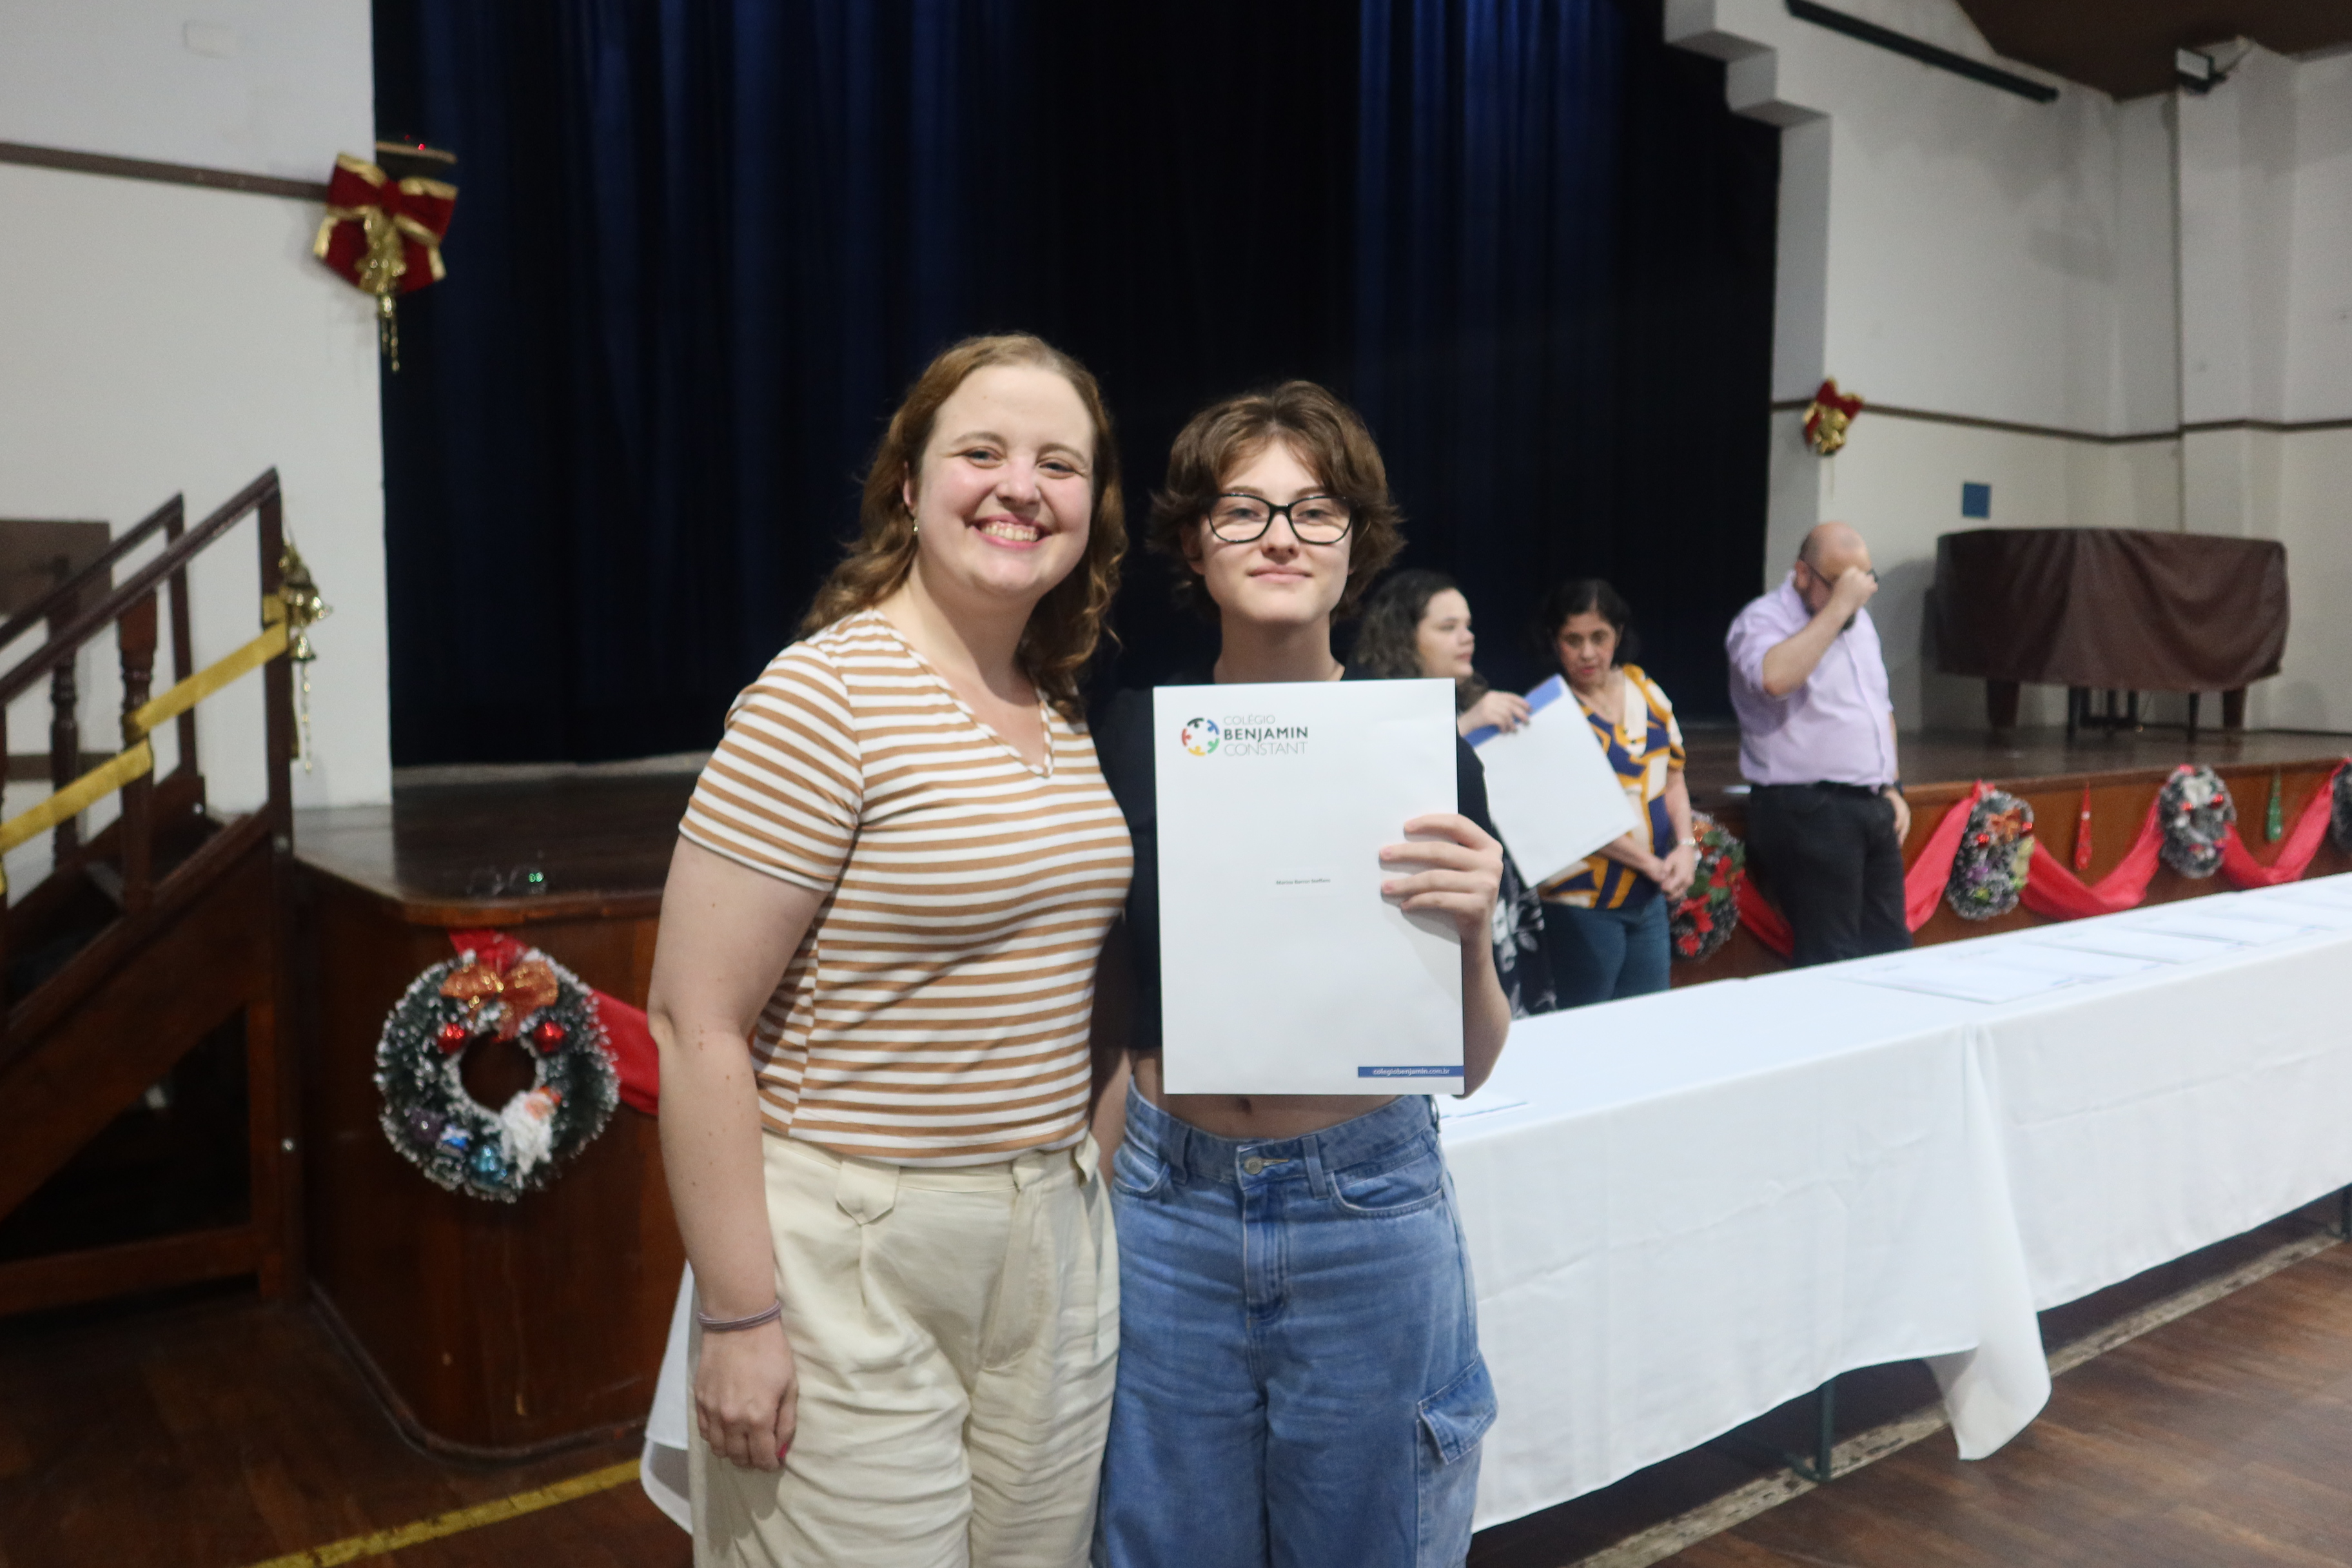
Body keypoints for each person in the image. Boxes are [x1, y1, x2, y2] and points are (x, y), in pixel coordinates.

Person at [646, 333, 1133, 1568]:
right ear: (907, 487)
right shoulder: (823, 696)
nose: (1020, 486)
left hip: (1051, 1243)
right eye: (983, 452)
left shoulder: (1058, 710)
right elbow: (694, 1021)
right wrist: (739, 1315)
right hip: (852, 1255)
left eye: (1059, 463)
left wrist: (1084, 1179)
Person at [1089, 382, 1509, 1568]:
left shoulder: (1421, 754)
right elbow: (1104, 1003)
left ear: (1356, 543)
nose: (1280, 535)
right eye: (1243, 509)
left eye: (1314, 510)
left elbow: (1471, 1063)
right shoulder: (1128, 738)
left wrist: (1476, 928)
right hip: (1166, 1209)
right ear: (1193, 542)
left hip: (1364, 1205)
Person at [1353, 567, 1556, 1017]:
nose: (1467, 638)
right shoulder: (1374, 709)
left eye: (1468, 625)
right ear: (1404, 638)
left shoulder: (1471, 698)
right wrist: (1467, 726)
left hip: (1498, 896)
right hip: (1428, 902)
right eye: (1448, 628)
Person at [1724, 521, 1912, 966]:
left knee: (1892, 950)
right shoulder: (1763, 619)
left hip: (1870, 803)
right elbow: (1774, 678)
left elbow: (1879, 709)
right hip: (1807, 810)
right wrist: (1837, 610)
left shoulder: (1859, 622)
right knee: (1832, 958)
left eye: (1863, 581)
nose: (1856, 596)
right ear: (1803, 574)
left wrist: (1891, 787)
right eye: (1841, 583)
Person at [1534, 579, 1695, 1005]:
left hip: (1649, 897)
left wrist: (1685, 847)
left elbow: (1673, 779)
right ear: (1554, 641)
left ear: (1619, 635)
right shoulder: (1547, 714)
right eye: (1573, 640)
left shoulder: (1647, 690)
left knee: (1648, 1021)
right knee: (1586, 1026)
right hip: (1582, 903)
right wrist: (1652, 865)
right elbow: (1574, 818)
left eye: (1599, 637)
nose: (1588, 653)